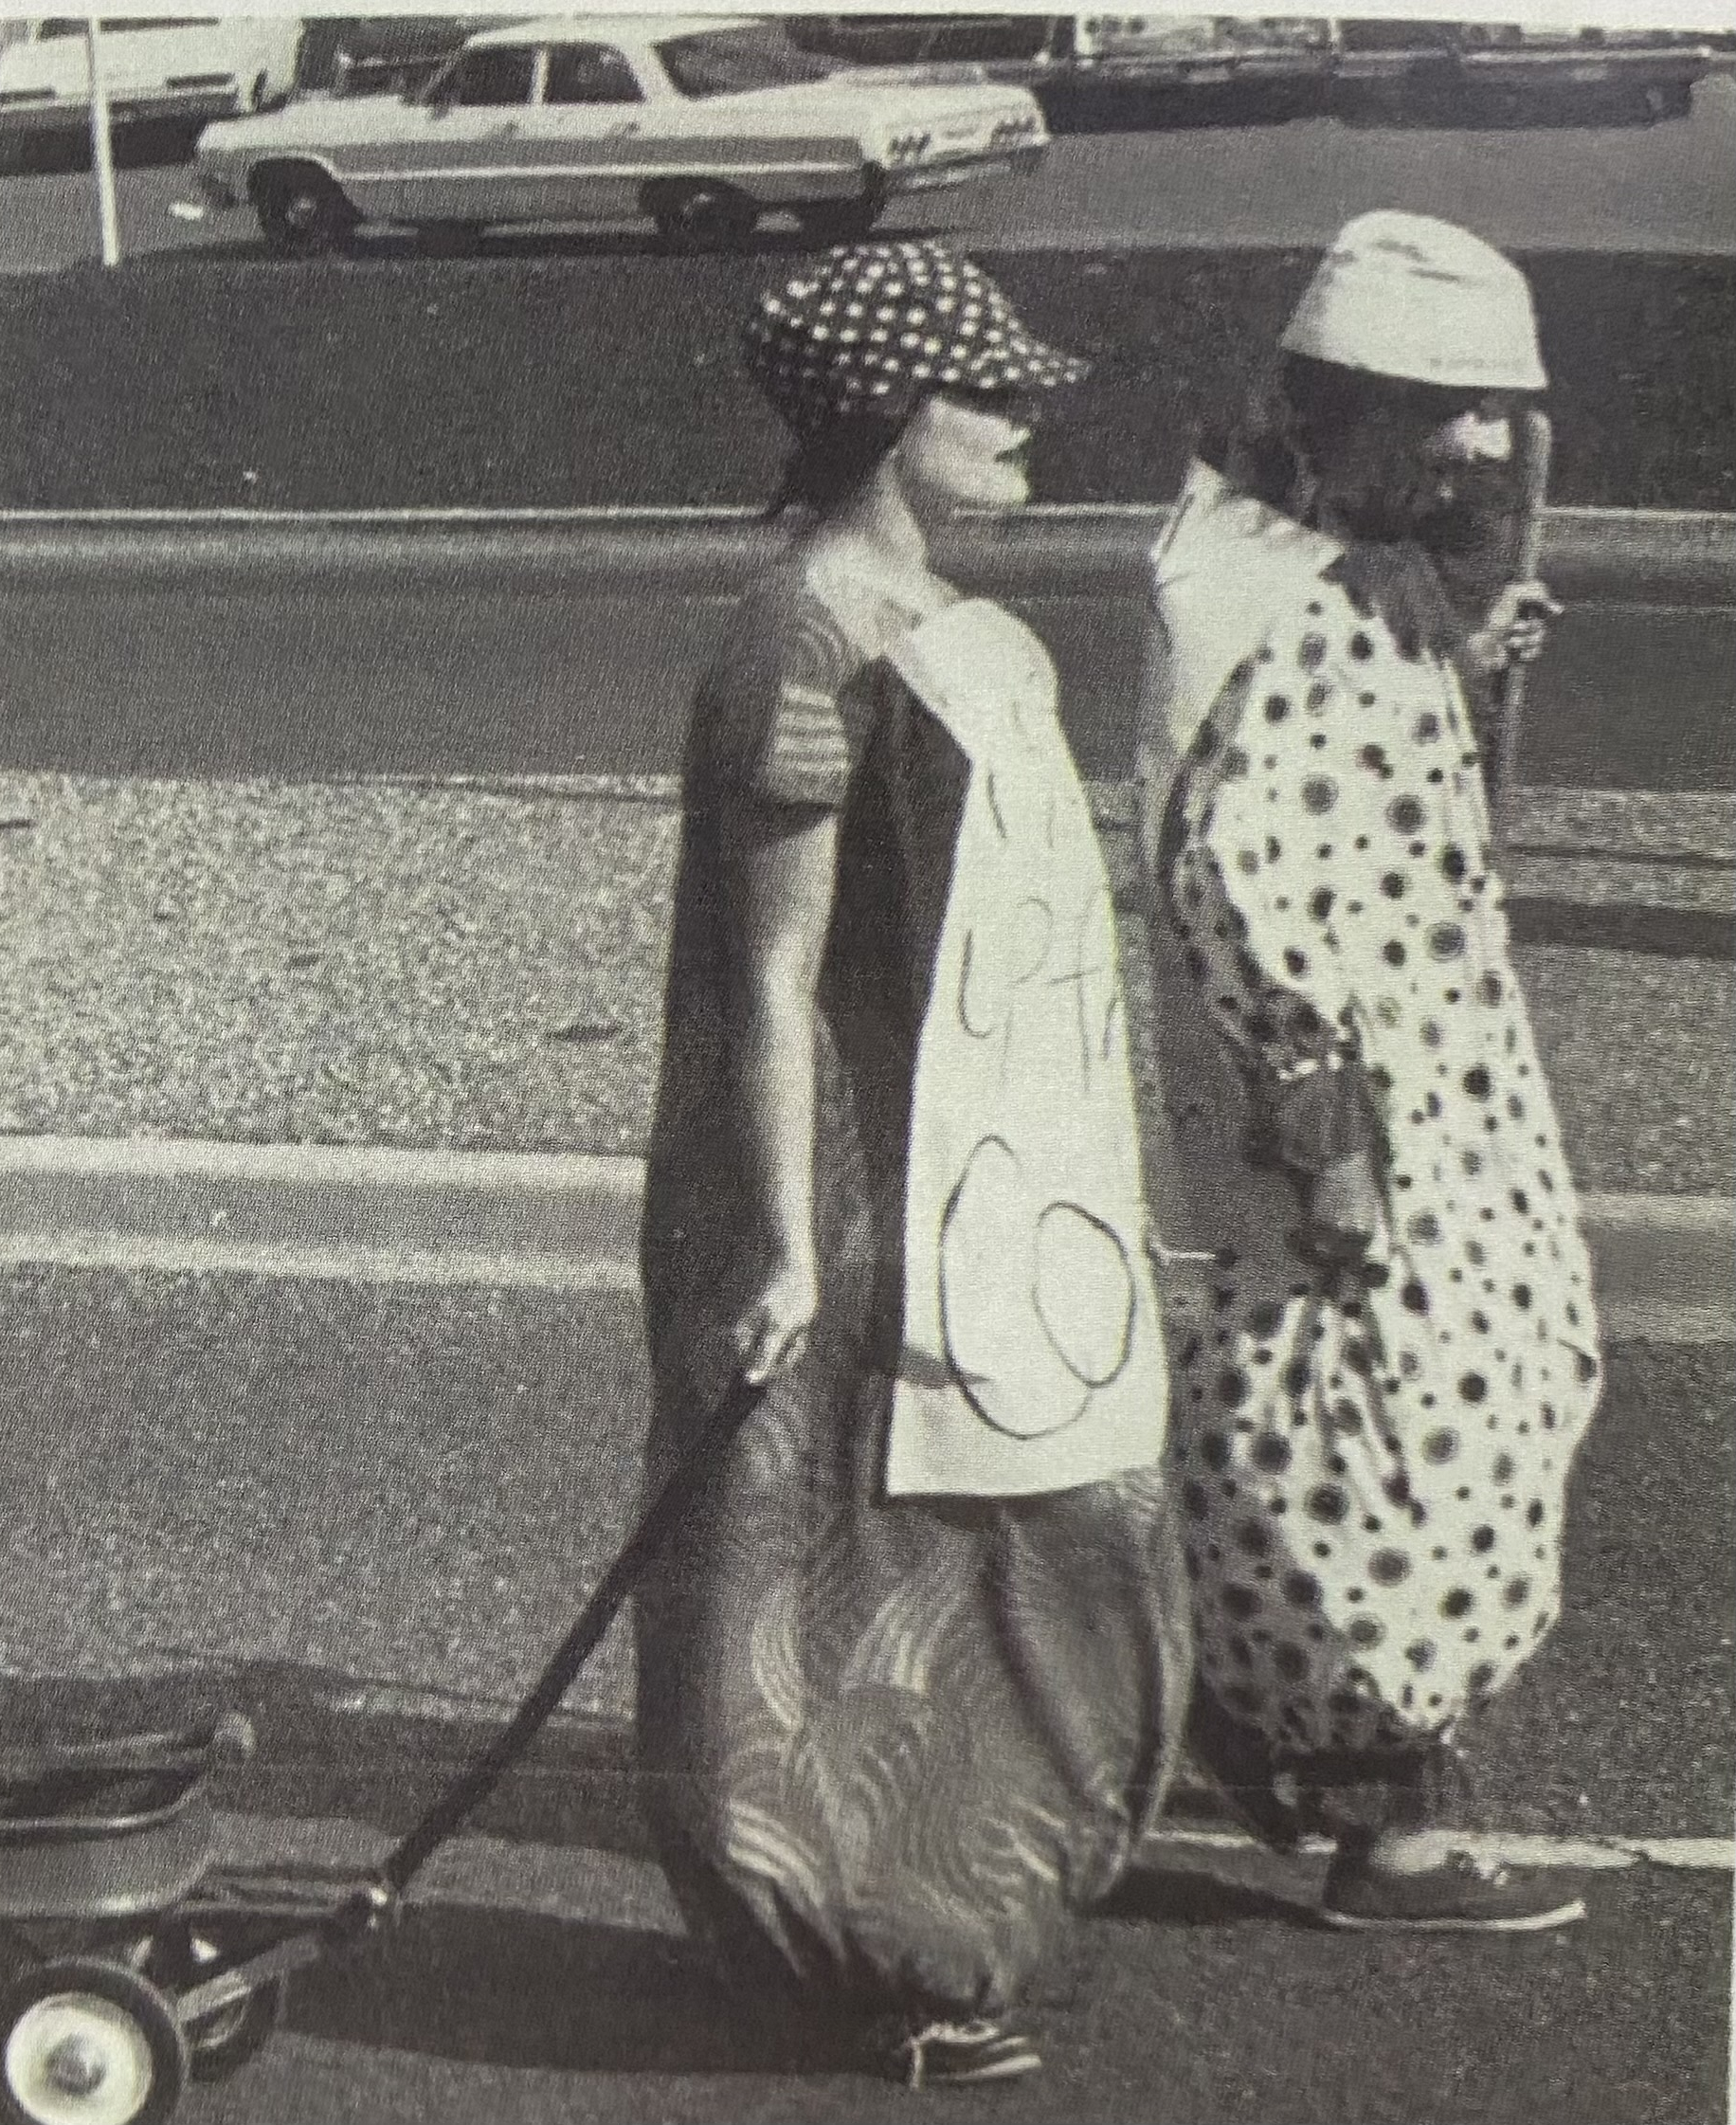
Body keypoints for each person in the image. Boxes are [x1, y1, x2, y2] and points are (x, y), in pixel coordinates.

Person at [633, 243, 1192, 2089]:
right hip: (845, 1191)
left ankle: (958, 1915)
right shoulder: (803, 627)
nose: (1026, 415)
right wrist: (785, 1246)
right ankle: (876, 1950)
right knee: (842, 1584)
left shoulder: (950, 624)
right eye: (987, 388)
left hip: (968, 1174)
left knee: (1016, 1542)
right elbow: (770, 977)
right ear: (888, 416)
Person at [1131, 211, 1601, 1931]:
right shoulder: (1260, 596)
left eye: (1498, 410)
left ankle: (1255, 1727)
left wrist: (1468, 647)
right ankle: (1375, 1824)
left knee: (1488, 1392)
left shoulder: (1348, 566)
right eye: (1440, 407)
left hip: (1446, 1086)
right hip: (1359, 1109)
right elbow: (1234, 875)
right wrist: (1320, 1128)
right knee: (1384, 1432)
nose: (1478, 445)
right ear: (1336, 404)